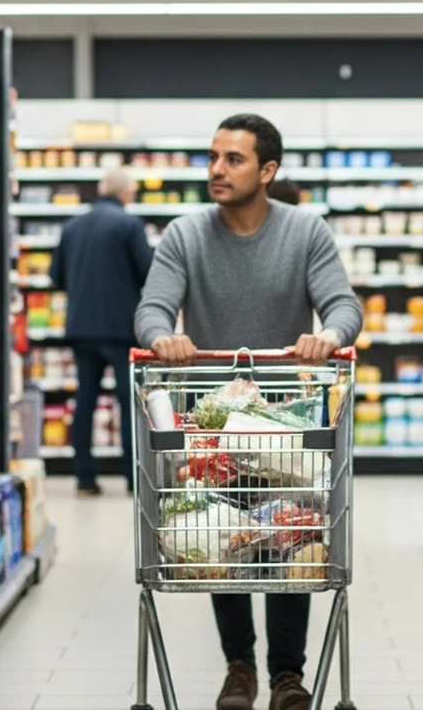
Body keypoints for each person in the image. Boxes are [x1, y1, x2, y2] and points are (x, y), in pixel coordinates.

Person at [134, 114, 363, 710]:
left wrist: (330, 335)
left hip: (287, 420)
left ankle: (288, 673)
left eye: (233, 159)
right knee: (218, 533)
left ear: (267, 170)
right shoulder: (185, 234)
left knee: (293, 529)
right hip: (213, 417)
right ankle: (240, 666)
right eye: (213, 156)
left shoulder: (306, 232)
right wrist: (164, 338)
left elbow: (342, 304)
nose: (216, 169)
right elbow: (152, 309)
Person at [49, 167, 152, 494]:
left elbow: (56, 276)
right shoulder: (128, 225)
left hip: (81, 328)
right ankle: (131, 478)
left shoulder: (73, 225)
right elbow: (149, 273)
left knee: (85, 401)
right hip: (121, 329)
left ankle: (85, 477)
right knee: (127, 403)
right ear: (125, 195)